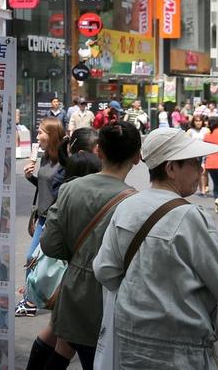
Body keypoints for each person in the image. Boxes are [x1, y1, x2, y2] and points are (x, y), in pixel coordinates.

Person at [93, 128, 218, 368]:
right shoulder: (190, 216)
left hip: (130, 341)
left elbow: (104, 270)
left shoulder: (127, 207)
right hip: (179, 349)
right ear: (171, 168)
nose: (201, 170)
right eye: (194, 162)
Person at [36, 122, 141, 370]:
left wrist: (77, 256)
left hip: (74, 293)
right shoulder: (136, 202)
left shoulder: (70, 188)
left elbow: (50, 245)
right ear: (138, 157)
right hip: (111, 299)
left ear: (100, 152)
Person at [25, 127, 101, 369]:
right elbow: (51, 242)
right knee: (72, 341)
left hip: (73, 280)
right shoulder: (79, 186)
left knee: (61, 338)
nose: (38, 135)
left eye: (41, 132)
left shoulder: (67, 179)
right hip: (82, 285)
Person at [16, 117, 66, 318]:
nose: (37, 136)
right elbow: (45, 187)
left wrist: (54, 221)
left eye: (40, 132)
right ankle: (33, 298)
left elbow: (63, 193)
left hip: (54, 220)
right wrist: (30, 178)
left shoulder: (66, 161)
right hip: (42, 217)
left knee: (39, 260)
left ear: (52, 135)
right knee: (35, 259)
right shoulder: (45, 157)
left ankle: (32, 300)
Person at [186, 115, 210, 196]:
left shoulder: (206, 130)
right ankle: (202, 188)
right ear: (193, 122)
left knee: (204, 172)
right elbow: (186, 142)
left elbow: (210, 141)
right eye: (196, 121)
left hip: (205, 154)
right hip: (194, 155)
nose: (198, 123)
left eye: (200, 121)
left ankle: (204, 187)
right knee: (198, 172)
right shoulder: (190, 131)